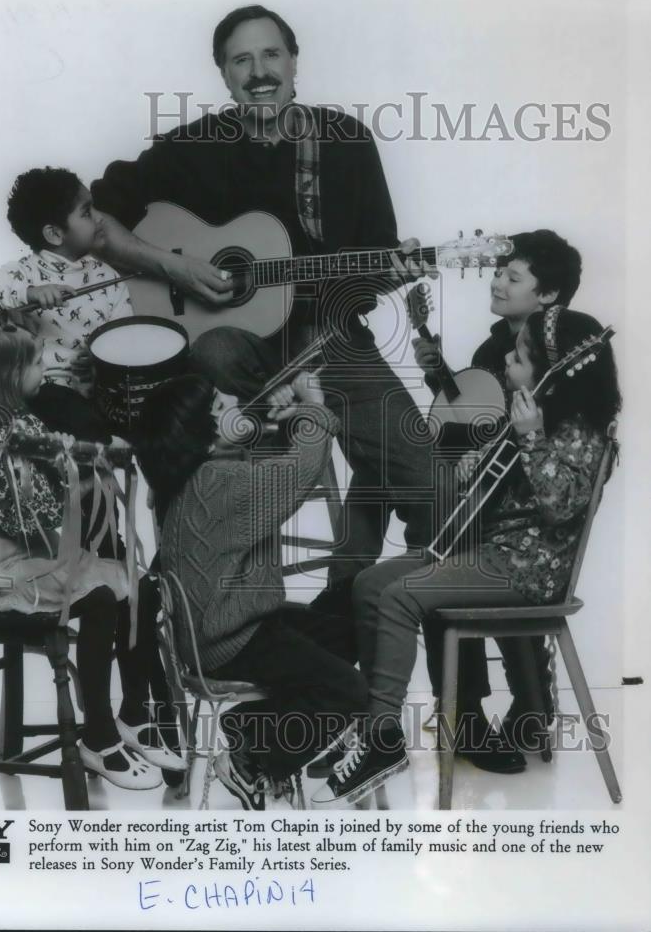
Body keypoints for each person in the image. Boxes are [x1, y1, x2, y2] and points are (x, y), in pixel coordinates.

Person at [92, 4, 437, 591]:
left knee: (434, 486)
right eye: (241, 59)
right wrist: (173, 267)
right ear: (223, 74)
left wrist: (390, 270)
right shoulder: (190, 147)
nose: (259, 72)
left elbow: (375, 257)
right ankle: (312, 424)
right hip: (233, 353)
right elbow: (93, 222)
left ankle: (341, 613)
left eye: (271, 54)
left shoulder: (345, 142)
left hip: (328, 337)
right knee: (217, 349)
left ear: (295, 61)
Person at [311, 306, 620, 805]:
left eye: (520, 356)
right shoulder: (527, 410)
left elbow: (561, 508)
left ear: (550, 371)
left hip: (529, 571)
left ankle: (381, 738)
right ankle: (370, 722)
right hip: (489, 553)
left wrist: (530, 437)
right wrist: (470, 463)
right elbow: (494, 492)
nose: (507, 359)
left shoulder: (580, 430)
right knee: (370, 583)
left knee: (400, 597)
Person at [0, 309, 184, 788]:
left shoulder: (20, 422)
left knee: (136, 584)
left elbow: (58, 459)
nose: (46, 372)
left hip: (34, 556)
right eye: (37, 364)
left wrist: (84, 455)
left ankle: (133, 713)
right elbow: (28, 518)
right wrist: (67, 473)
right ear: (11, 376)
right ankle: (96, 735)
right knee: (98, 598)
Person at [134, 370, 369, 810]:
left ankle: (252, 723)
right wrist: (313, 404)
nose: (235, 396)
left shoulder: (200, 477)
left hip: (232, 627)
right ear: (204, 441)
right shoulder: (218, 483)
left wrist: (292, 418)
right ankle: (251, 758)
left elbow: (267, 478)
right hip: (233, 641)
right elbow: (298, 476)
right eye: (222, 406)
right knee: (349, 691)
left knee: (359, 602)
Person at [415, 230, 583, 765]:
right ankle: (470, 714)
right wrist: (435, 373)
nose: (497, 281)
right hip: (487, 500)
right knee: (434, 534)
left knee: (438, 548)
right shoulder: (492, 349)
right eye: (498, 271)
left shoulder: (560, 359)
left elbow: (540, 444)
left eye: (514, 276)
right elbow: (474, 420)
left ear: (549, 296)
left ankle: (520, 711)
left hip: (527, 512)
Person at [0, 166, 132, 441]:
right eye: (86, 212)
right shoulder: (22, 275)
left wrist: (98, 365)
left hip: (99, 395)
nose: (99, 219)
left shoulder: (108, 277)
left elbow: (124, 342)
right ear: (55, 234)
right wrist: (27, 295)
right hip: (43, 395)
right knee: (62, 406)